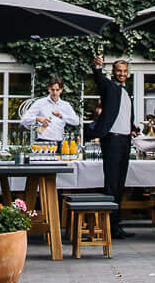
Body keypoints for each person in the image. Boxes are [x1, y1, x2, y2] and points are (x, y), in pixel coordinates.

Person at [89, 52, 137, 234]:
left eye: (124, 71)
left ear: (128, 73)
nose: (122, 74)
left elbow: (123, 115)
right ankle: (108, 226)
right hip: (112, 140)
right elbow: (99, 80)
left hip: (125, 140)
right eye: (118, 70)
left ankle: (116, 225)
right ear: (114, 72)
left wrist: (133, 127)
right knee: (111, 183)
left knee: (120, 184)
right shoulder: (109, 87)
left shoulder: (126, 92)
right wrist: (97, 67)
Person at [18, 76, 79, 151]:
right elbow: (23, 120)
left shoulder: (65, 105)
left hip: (59, 143)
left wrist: (61, 116)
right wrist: (37, 118)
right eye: (52, 90)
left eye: (57, 90)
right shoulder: (40, 103)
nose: (55, 92)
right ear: (49, 89)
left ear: (61, 90)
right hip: (42, 142)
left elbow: (76, 121)